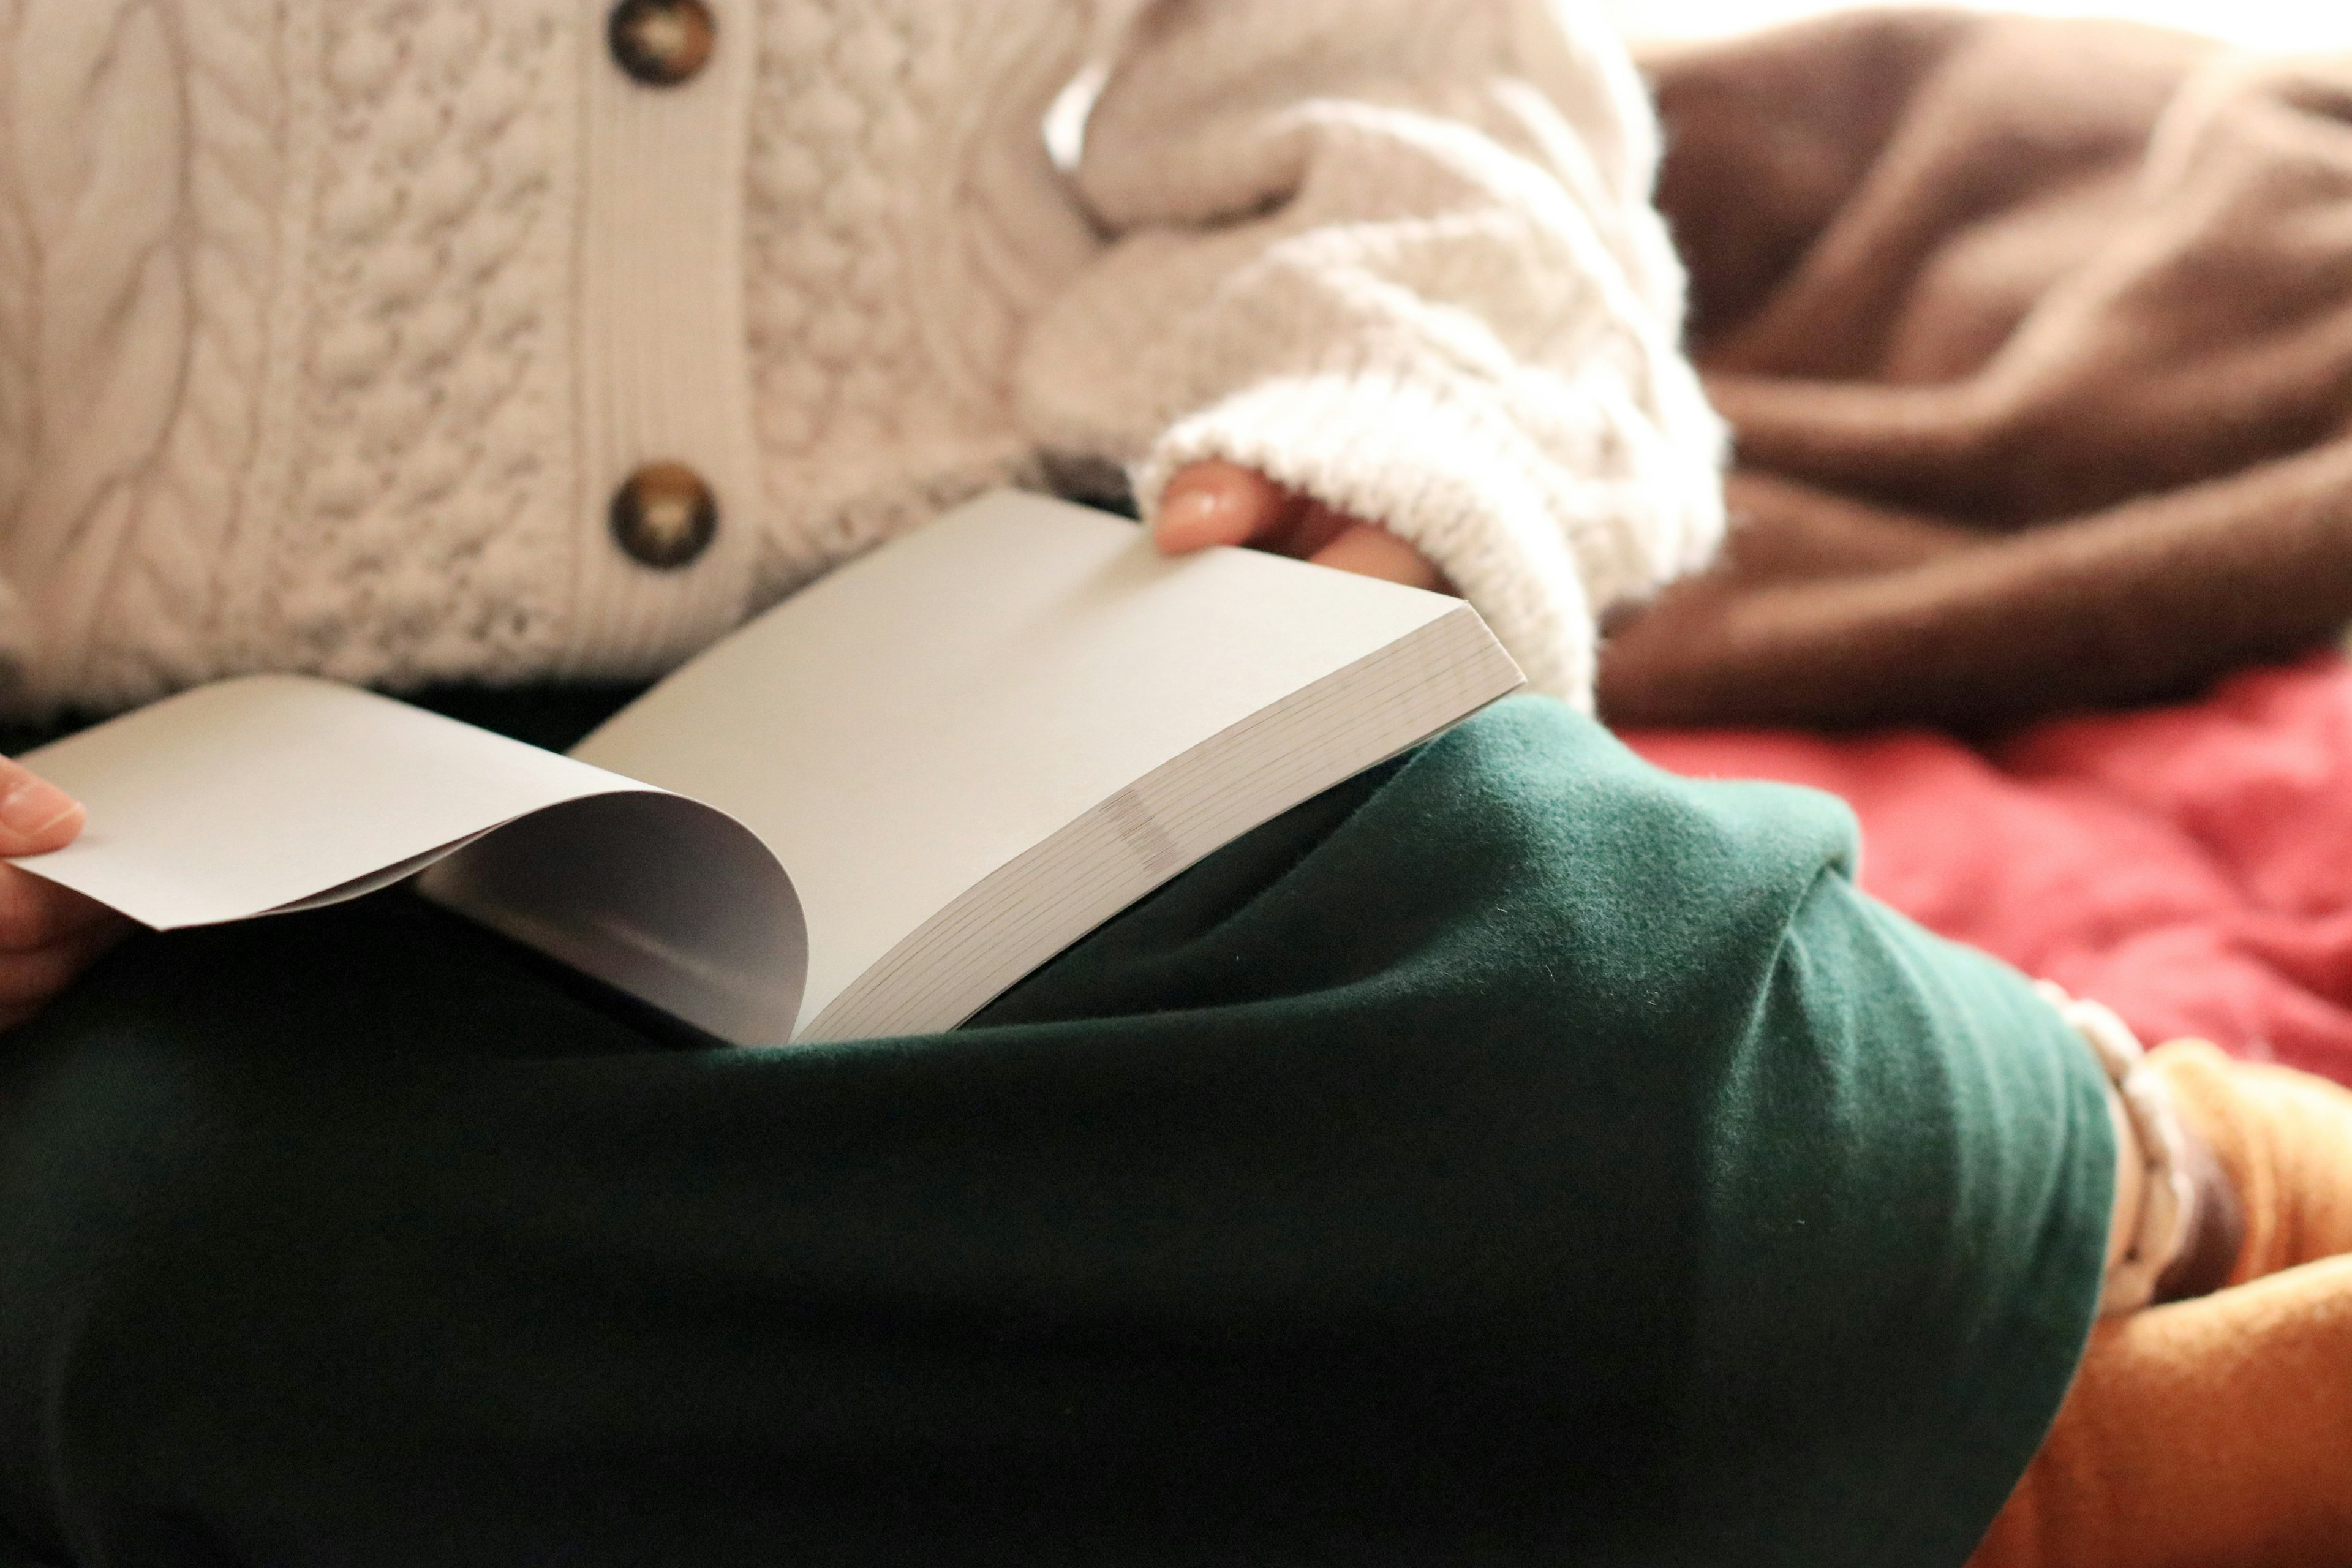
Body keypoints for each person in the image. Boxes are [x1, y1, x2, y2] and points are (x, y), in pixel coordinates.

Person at [0, 3, 2340, 1566]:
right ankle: (1966, 1425)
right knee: (173, 1325)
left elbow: (1435, 89)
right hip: (189, 881)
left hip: (1016, 668)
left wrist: (1378, 434)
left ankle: (2095, 1156)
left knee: (1570, 966)